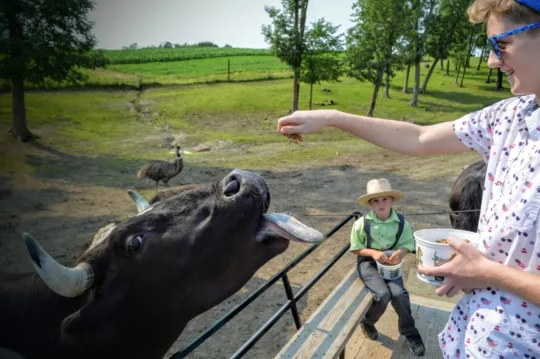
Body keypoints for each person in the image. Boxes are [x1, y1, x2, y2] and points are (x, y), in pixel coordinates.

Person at [276, 0, 540, 357]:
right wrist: (334, 118)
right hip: (472, 338)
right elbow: (418, 138)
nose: (493, 60)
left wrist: (488, 273)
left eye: (501, 44)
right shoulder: (509, 117)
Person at [350, 178, 425, 356]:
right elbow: (355, 248)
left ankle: (410, 332)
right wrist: (374, 253)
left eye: (385, 199)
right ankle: (368, 322)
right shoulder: (361, 224)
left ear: (392, 200)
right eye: (376, 200)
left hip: (391, 263)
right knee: (382, 295)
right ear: (370, 203)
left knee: (399, 294)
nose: (381, 204)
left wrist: (400, 253)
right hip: (368, 262)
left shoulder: (401, 222)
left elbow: (407, 244)